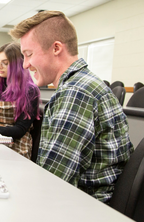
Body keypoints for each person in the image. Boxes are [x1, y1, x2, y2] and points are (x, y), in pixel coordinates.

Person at [9, 10, 133, 203]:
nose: (25, 65)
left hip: (84, 207)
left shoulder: (76, 92)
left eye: (29, 54)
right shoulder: (80, 84)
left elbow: (53, 183)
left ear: (56, 48)